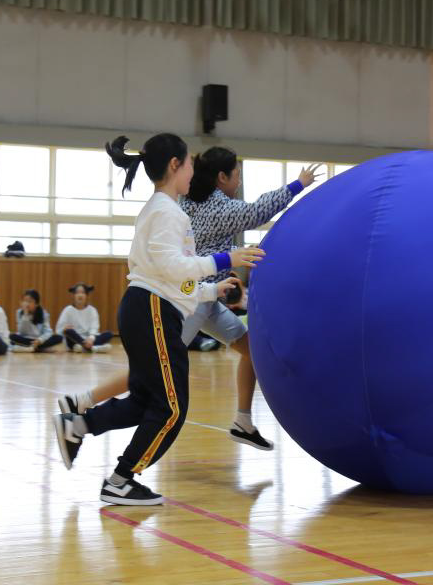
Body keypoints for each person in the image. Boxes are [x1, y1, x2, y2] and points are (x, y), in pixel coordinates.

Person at [58, 147, 318, 450]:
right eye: (237, 175)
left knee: (253, 350)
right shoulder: (218, 208)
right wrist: (298, 184)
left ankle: (243, 422)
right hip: (190, 301)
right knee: (150, 370)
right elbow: (257, 211)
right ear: (222, 177)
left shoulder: (189, 201)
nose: (239, 182)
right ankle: (81, 401)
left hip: (207, 300)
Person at [52, 134, 263, 506]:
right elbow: (172, 268)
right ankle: (121, 480)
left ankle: (79, 425)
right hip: (151, 310)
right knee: (171, 408)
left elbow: (173, 278)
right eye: (191, 163)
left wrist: (211, 291)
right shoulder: (167, 212)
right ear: (175, 165)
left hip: (149, 307)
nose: (194, 171)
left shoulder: (165, 210)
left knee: (145, 400)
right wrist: (226, 259)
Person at [57, 283, 114, 353]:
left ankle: (83, 347)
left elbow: (94, 327)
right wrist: (64, 328)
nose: (80, 295)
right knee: (69, 332)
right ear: (74, 296)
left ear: (86, 295)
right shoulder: (68, 309)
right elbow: (59, 329)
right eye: (77, 293)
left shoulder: (92, 310)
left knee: (109, 334)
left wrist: (90, 338)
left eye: (83, 293)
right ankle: (95, 348)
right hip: (75, 339)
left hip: (89, 338)